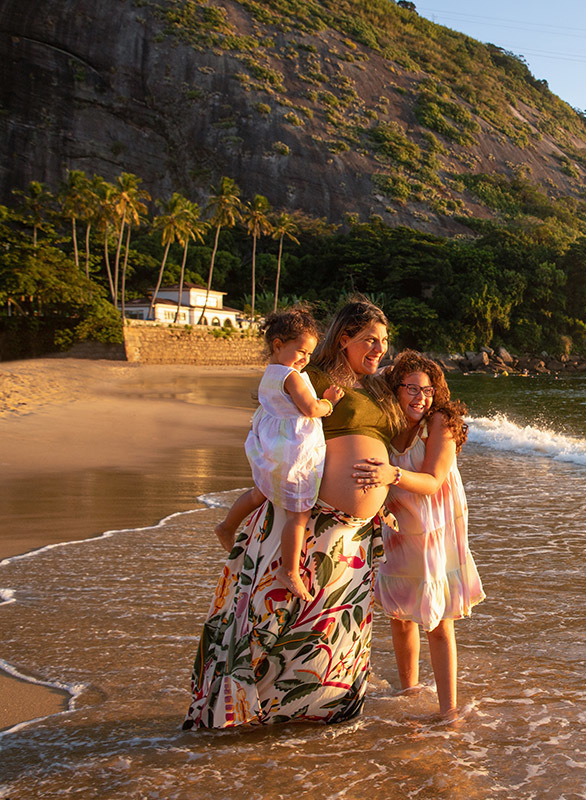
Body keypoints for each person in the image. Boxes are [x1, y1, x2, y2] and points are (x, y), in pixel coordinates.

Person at [184, 297, 399, 730]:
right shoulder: (312, 378)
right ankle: (248, 712)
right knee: (275, 621)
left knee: (328, 630)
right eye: (369, 340)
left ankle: (319, 712)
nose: (379, 349)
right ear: (344, 339)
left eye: (385, 342)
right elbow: (275, 431)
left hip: (352, 537)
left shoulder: (374, 388)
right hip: (307, 519)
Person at [353, 350, 485, 718]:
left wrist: (391, 475)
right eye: (410, 388)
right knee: (400, 616)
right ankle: (409, 691)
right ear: (394, 390)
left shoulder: (440, 422)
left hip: (435, 528)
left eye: (426, 390)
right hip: (398, 527)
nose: (419, 398)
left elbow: (431, 481)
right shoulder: (386, 424)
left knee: (439, 621)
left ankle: (448, 710)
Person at [213, 307, 344, 602]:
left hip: (272, 446)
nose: (305, 360)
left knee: (259, 492)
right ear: (277, 345)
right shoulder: (292, 377)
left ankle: (227, 526)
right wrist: (329, 403)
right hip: (292, 452)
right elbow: (310, 409)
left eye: (309, 354)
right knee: (299, 514)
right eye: (301, 351)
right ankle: (289, 570)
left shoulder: (269, 375)